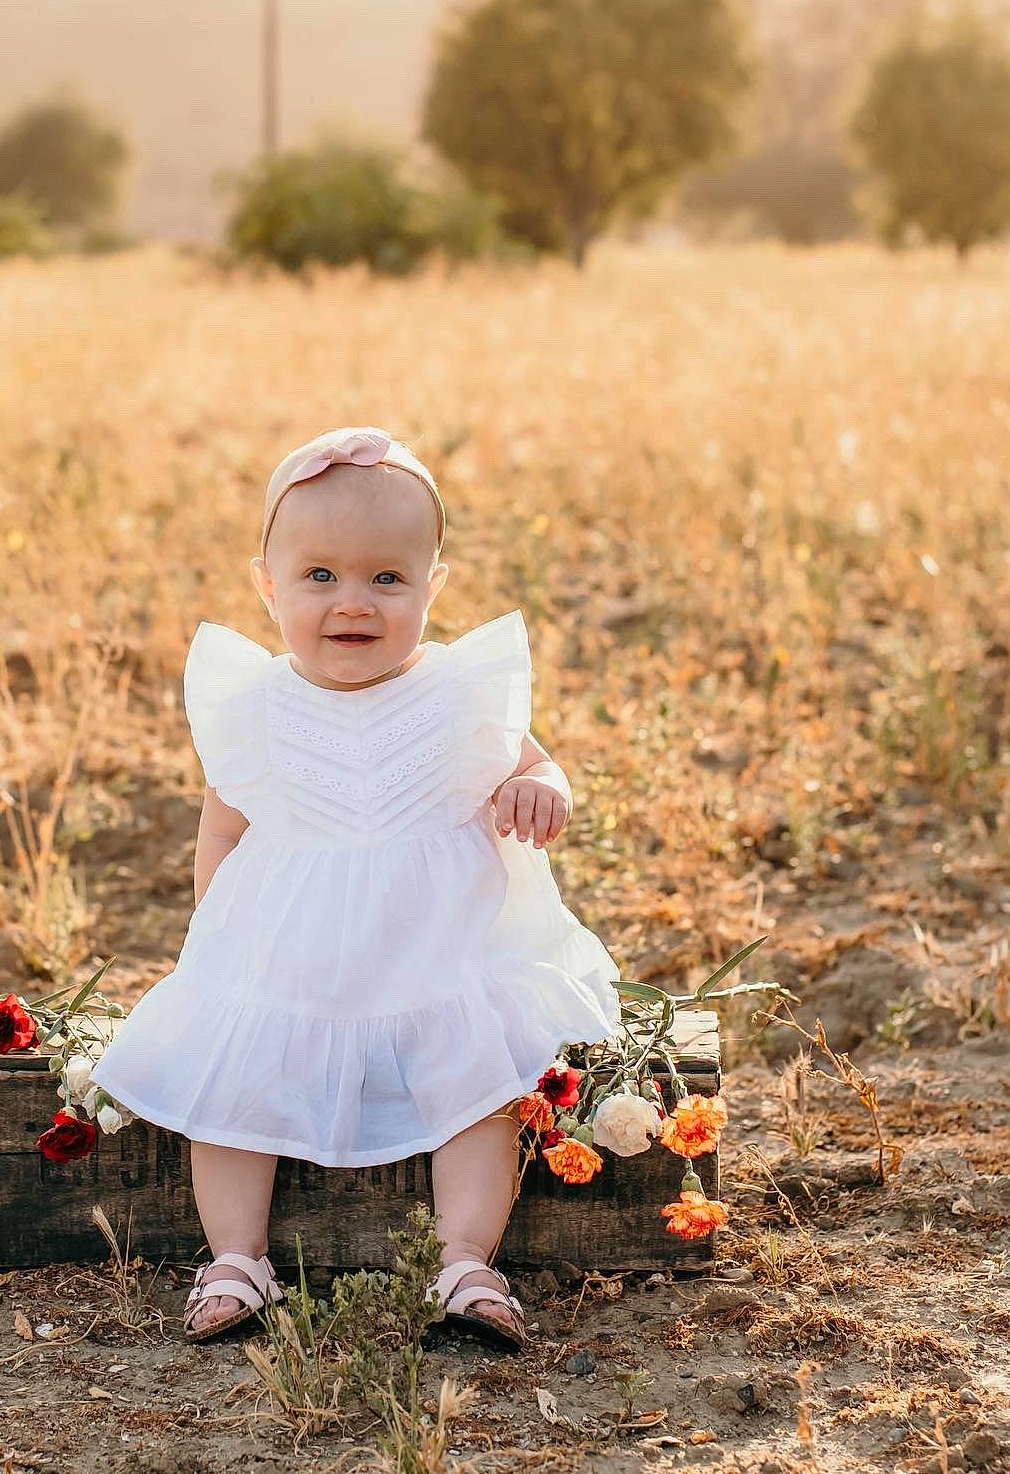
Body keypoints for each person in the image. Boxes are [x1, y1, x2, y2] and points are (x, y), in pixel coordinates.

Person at [90, 424, 621, 1349]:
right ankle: (235, 1258)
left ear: (433, 587)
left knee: (480, 1087)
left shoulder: (461, 693)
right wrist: (214, 949)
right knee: (232, 1089)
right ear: (269, 583)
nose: (354, 603)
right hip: (294, 958)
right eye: (320, 577)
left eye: (388, 579)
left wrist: (540, 788)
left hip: (442, 954)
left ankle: (464, 1260)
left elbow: (537, 762)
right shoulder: (254, 706)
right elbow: (224, 826)